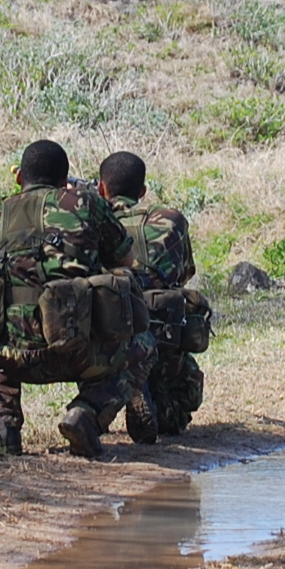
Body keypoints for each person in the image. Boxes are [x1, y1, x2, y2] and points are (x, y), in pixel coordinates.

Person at [0, 138, 143, 459]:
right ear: (65, 180)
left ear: (19, 177)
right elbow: (126, 260)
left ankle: (2, 421)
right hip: (79, 354)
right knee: (138, 342)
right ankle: (87, 414)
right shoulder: (86, 203)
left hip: (13, 357)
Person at [98, 151, 208, 437]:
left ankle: (108, 403)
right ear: (143, 191)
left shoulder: (94, 222)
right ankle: (147, 391)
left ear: (101, 188)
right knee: (177, 410)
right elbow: (184, 274)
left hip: (111, 336)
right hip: (163, 330)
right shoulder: (171, 220)